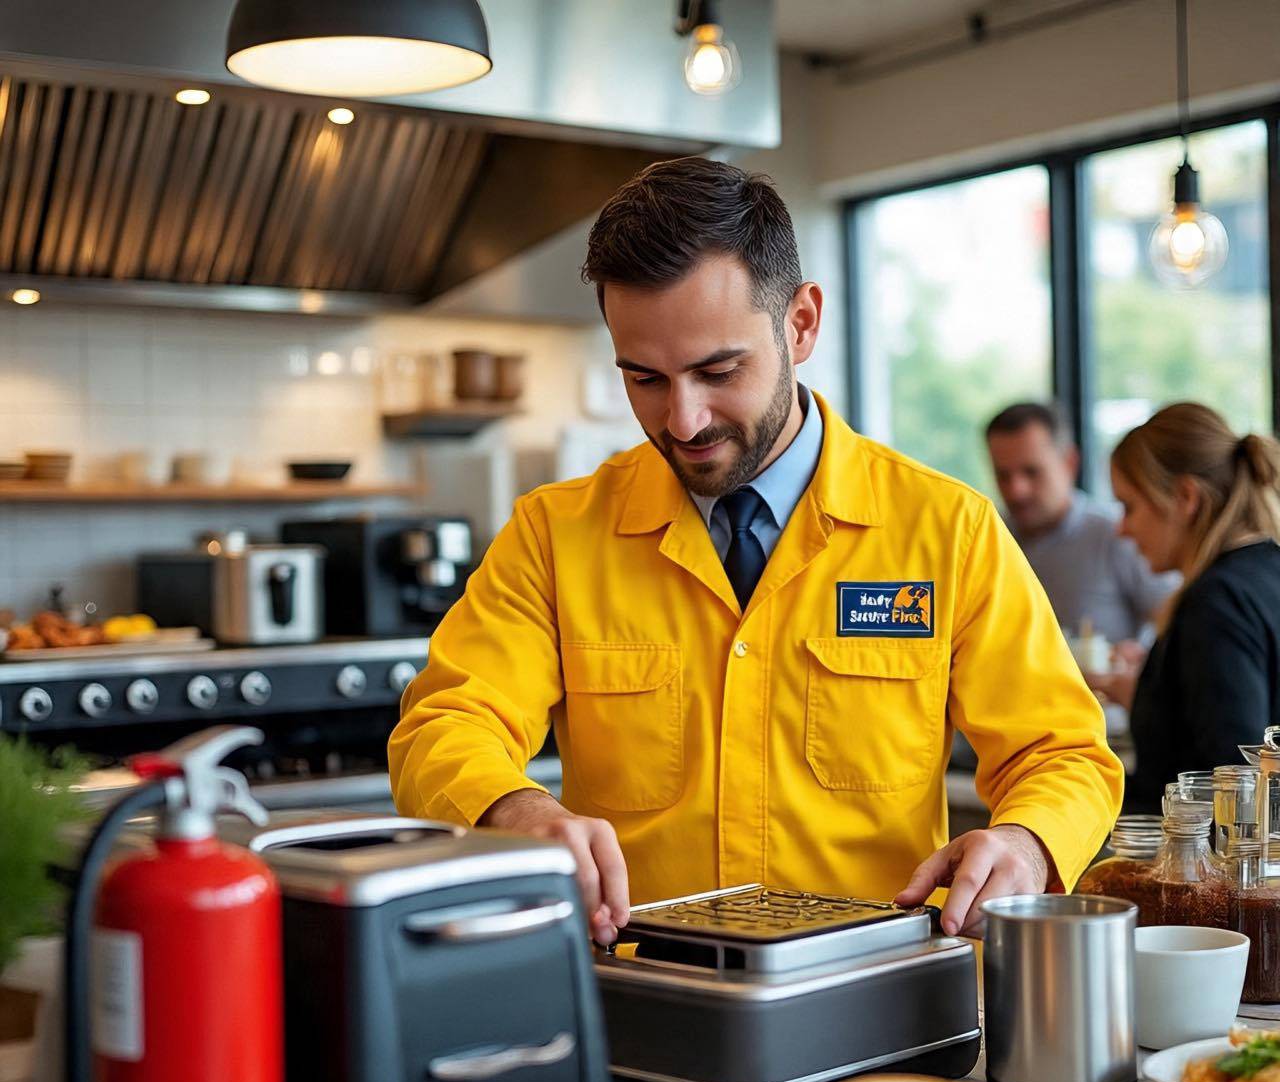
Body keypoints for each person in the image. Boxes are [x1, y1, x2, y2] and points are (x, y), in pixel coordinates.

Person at [389, 158, 1123, 944]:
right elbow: (444, 724)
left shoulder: (948, 532)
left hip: (877, 996)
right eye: (645, 379)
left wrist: (1025, 841)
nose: (683, 420)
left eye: (718, 370)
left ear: (800, 323)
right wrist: (516, 809)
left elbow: (1062, 754)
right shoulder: (553, 536)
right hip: (639, 992)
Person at [1087, 402, 1280, 813]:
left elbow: (1233, 784)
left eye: (1129, 506)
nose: (1122, 528)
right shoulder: (1267, 572)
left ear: (1185, 497)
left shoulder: (1217, 602)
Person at [985, 402, 1177, 645]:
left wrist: (1141, 660)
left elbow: (1180, 627)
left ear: (1070, 463)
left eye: (1031, 472)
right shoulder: (988, 540)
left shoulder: (1120, 533)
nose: (1016, 490)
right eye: (1003, 475)